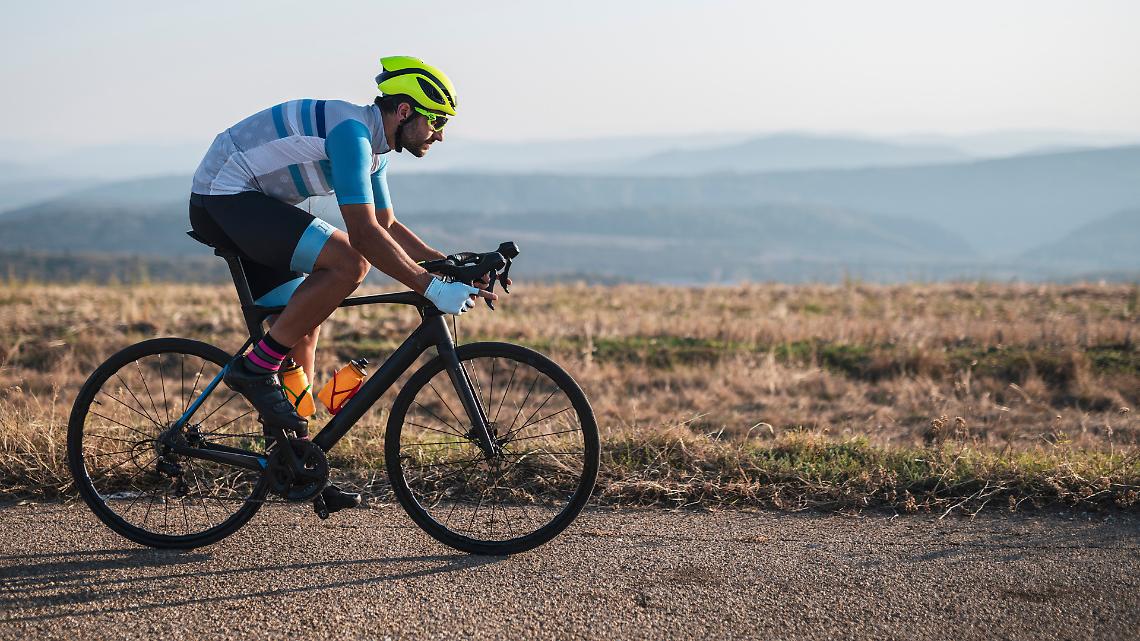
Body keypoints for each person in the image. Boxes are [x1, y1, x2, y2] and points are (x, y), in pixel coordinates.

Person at [188, 56, 500, 513]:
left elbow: (386, 225)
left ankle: (295, 461)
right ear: (405, 111)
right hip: (225, 197)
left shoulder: (374, 146)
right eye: (437, 120)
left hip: (252, 205)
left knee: (301, 325)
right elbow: (364, 235)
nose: (441, 134)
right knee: (350, 263)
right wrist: (427, 286)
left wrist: (447, 265)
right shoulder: (352, 134)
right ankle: (255, 369)